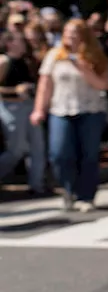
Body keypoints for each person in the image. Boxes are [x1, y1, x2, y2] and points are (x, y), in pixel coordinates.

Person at [31, 19, 108, 211]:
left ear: (84, 35)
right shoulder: (54, 56)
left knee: (88, 155)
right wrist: (39, 109)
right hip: (61, 109)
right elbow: (45, 84)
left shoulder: (95, 56)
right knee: (59, 153)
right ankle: (69, 190)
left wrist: (83, 68)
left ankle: (87, 195)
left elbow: (102, 85)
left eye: (74, 32)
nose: (70, 36)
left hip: (90, 110)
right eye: (67, 32)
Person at [0, 31, 47, 194]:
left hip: (30, 105)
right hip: (11, 107)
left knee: (37, 147)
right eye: (19, 41)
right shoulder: (4, 62)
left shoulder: (27, 61)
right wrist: (14, 90)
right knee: (16, 149)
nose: (23, 44)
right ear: (9, 43)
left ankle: (37, 185)